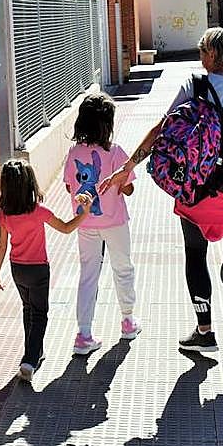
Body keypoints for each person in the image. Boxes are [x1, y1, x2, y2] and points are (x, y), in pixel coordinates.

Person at [117, 27, 223, 375]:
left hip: (197, 194)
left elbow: (164, 130)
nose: (199, 56)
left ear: (212, 55)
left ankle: (204, 330)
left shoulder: (195, 86)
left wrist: (130, 164)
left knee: (196, 256)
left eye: (202, 49)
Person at [0, 159, 92, 382]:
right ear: (30, 185)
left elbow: (1, 245)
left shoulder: (4, 215)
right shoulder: (38, 212)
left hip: (17, 269)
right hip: (38, 270)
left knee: (28, 309)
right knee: (39, 313)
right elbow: (66, 228)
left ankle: (35, 352)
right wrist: (84, 214)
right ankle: (29, 360)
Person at [63, 94, 141, 357]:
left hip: (85, 223)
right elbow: (128, 188)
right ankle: (128, 321)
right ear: (107, 123)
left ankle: (83, 334)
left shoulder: (74, 153)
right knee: (123, 267)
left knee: (88, 275)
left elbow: (67, 186)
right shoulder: (115, 152)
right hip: (115, 222)